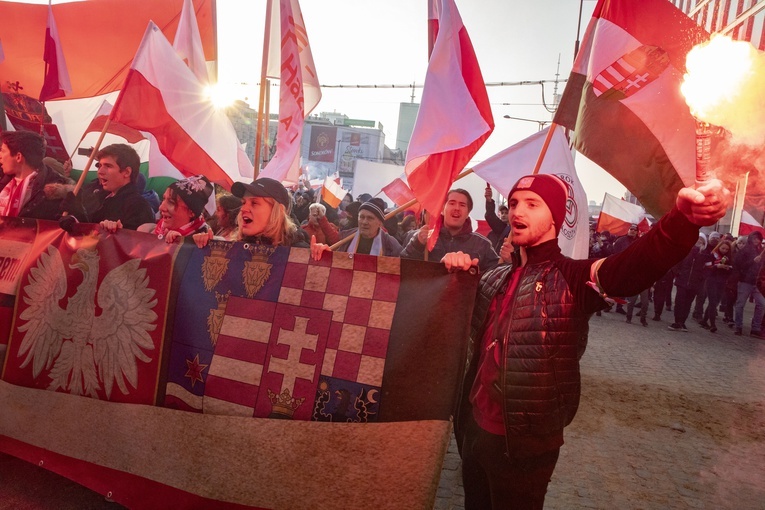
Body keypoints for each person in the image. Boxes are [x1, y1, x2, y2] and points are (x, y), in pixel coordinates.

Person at [440, 173, 729, 509]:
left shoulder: (571, 277)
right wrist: (454, 272)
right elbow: (452, 331)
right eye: (515, 203)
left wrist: (681, 222)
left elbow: (632, 267)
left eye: (533, 204)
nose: (518, 210)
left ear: (555, 218)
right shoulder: (495, 276)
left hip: (523, 445)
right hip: (473, 432)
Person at [60, 144, 154, 231]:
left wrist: (113, 231)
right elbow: (89, 232)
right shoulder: (101, 196)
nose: (100, 171)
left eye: (108, 166)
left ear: (127, 172)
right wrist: (76, 216)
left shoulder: (138, 207)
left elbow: (129, 245)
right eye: (99, 166)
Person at [401, 189, 499, 272]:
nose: (457, 208)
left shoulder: (482, 245)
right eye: (452, 203)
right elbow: (400, 267)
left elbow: (495, 276)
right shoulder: (417, 237)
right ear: (443, 209)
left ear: (468, 213)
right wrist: (417, 244)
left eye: (462, 205)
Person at [194, 177, 307, 249]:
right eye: (243, 203)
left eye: (254, 203)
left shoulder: (299, 252)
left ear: (278, 211)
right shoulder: (235, 248)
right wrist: (200, 247)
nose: (243, 209)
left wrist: (321, 259)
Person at [0, 131, 68, 220]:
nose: (0, 155)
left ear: (18, 157)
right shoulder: (5, 182)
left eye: (2, 150)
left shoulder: (54, 193)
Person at [127, 174, 213, 243]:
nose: (161, 207)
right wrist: (116, 233)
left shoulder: (200, 241)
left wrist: (182, 244)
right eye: (163, 199)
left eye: (171, 202)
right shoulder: (149, 231)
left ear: (191, 212)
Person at [312, 198, 401, 257]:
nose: (364, 222)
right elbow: (334, 241)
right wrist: (323, 250)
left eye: (370, 218)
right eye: (361, 217)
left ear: (380, 222)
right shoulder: (349, 235)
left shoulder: (390, 244)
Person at [668, 234, 709, 332]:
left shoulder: (706, 254)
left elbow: (708, 269)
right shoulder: (685, 250)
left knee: (687, 303)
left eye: (701, 240)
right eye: (697, 238)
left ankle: (682, 322)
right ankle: (677, 321)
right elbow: (676, 263)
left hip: (695, 283)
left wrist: (701, 278)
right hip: (682, 281)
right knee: (679, 302)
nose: (699, 241)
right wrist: (678, 273)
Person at [611, 224, 647, 324]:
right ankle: (608, 305)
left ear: (637, 232)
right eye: (631, 229)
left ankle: (619, 306)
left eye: (634, 230)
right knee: (615, 287)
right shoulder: (620, 240)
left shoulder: (640, 241)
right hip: (621, 267)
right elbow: (615, 253)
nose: (632, 231)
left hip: (632, 270)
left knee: (624, 289)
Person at [732, 232, 765, 337]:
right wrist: (752, 261)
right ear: (751, 238)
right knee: (740, 304)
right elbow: (738, 265)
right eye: (755, 238)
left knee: (761, 303)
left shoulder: (760, 251)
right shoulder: (744, 251)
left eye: (758, 239)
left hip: (756, 282)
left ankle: (755, 328)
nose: (756, 241)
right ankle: (738, 326)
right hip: (745, 281)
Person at [699, 239, 733, 333]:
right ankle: (712, 324)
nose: (724, 250)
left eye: (726, 249)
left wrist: (727, 268)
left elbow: (731, 269)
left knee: (715, 302)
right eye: (723, 248)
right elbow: (707, 266)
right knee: (713, 302)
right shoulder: (713, 254)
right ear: (719, 247)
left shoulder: (728, 257)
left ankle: (704, 320)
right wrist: (716, 266)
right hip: (711, 280)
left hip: (721, 281)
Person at [484, 184, 510, 252]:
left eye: (506, 213)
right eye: (502, 213)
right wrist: (489, 201)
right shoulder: (495, 230)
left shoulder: (515, 231)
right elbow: (490, 215)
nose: (504, 215)